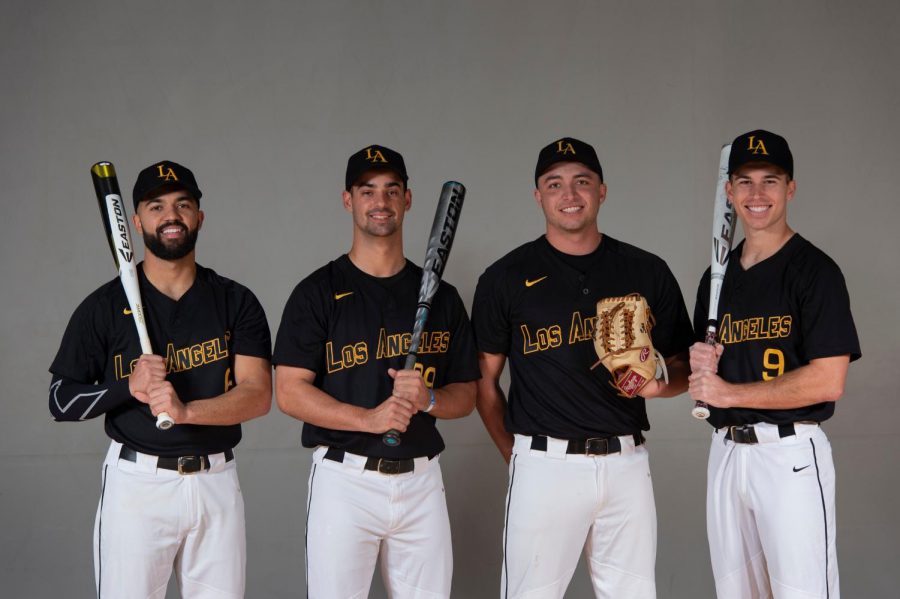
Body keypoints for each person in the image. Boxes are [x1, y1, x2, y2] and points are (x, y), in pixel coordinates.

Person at [471, 137, 693, 598]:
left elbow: (685, 366)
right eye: (555, 184)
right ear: (538, 196)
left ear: (602, 191)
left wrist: (659, 386)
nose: (569, 195)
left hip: (627, 463)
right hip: (544, 463)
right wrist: (516, 458)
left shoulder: (646, 270)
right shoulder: (505, 277)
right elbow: (483, 381)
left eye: (582, 182)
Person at [49, 160, 272, 598]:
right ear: (135, 221)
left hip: (216, 483)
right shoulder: (104, 306)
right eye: (156, 206)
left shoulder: (235, 300)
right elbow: (60, 399)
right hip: (138, 488)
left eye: (182, 204)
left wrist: (186, 410)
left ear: (198, 217)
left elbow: (257, 395)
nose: (171, 215)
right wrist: (125, 388)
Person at [273, 145, 479, 598]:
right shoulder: (317, 293)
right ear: (349, 200)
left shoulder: (442, 298)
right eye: (367, 191)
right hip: (345, 482)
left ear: (408, 200)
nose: (380, 202)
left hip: (422, 481)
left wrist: (428, 399)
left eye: (391, 190)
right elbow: (288, 392)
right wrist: (368, 419)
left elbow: (466, 392)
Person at [688, 129, 861, 599]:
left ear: (791, 188)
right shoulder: (715, 278)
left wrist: (728, 393)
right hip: (725, 454)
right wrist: (699, 365)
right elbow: (707, 374)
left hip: (789, 456)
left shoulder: (815, 271)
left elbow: (829, 380)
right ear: (729, 192)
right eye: (744, 182)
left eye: (771, 180)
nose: (757, 194)